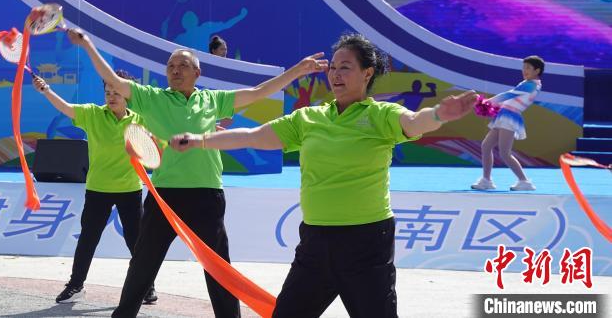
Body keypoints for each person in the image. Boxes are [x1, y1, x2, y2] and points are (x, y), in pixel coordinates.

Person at [169, 33, 477, 318]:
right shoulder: (309, 118)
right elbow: (253, 136)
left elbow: (415, 122)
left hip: (366, 244)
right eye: (333, 68)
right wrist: (199, 140)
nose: (336, 74)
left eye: (346, 67)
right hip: (315, 243)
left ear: (367, 73)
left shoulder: (381, 115)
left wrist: (439, 115)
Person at [65, 29, 328, 318]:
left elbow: (257, 93)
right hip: (164, 197)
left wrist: (297, 71)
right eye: (171, 66)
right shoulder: (151, 98)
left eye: (183, 65)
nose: (175, 70)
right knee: (142, 265)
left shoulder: (213, 100)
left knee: (219, 269)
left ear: (197, 73)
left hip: (206, 195)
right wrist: (88, 44)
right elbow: (114, 81)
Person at [31, 71, 158, 305]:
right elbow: (66, 108)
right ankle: (76, 285)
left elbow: (164, 132)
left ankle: (147, 287)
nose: (111, 97)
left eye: (116, 93)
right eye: (108, 92)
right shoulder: (92, 114)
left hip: (130, 189)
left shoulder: (141, 119)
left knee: (137, 242)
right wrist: (46, 90)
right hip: (98, 189)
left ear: (127, 95)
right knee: (88, 239)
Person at [471, 56, 544, 191]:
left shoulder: (532, 84)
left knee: (505, 153)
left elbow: (509, 95)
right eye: (523, 67)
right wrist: (492, 105)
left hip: (510, 117)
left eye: (528, 68)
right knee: (486, 146)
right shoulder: (527, 83)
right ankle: (486, 180)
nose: (524, 70)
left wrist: (487, 102)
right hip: (504, 115)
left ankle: (524, 181)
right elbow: (509, 99)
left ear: (537, 70)